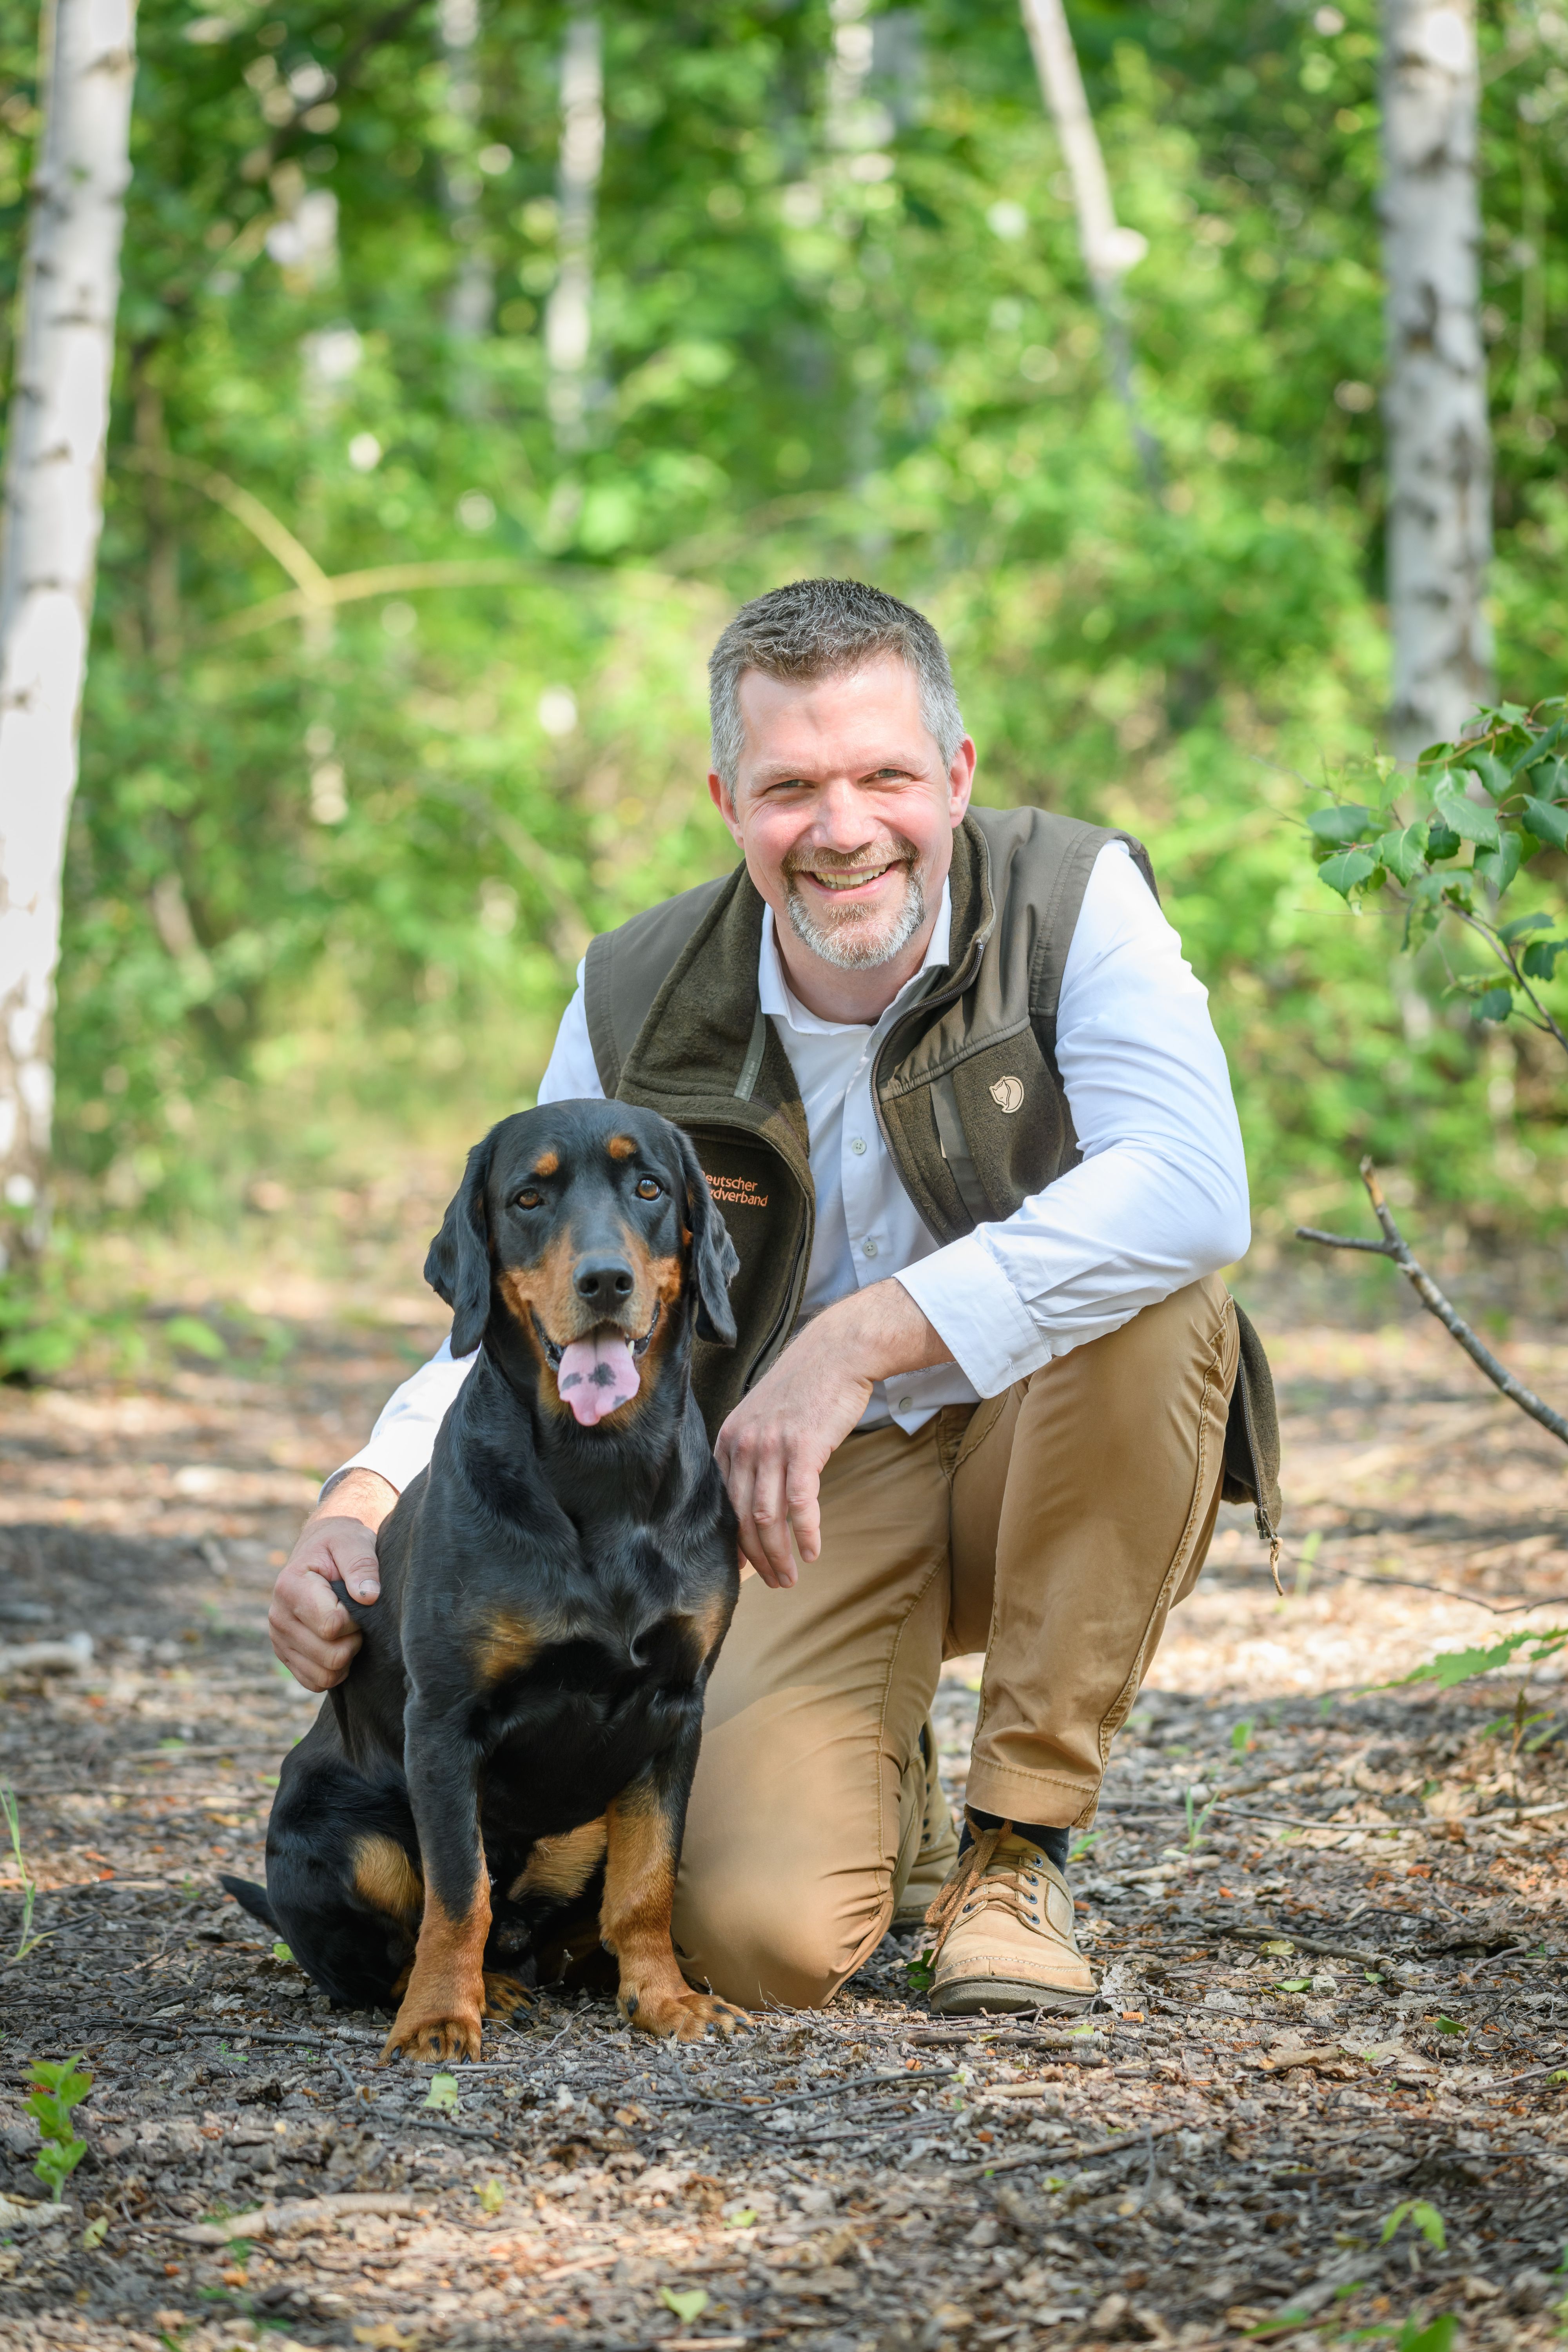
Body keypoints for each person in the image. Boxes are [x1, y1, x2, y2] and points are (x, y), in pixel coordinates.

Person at [267, 577, 1279, 2017]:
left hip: (1045, 1451)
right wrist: (364, 1495)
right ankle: (888, 1775)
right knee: (756, 1940)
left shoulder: (1073, 896)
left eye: (886, 775)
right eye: (792, 787)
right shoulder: (631, 991)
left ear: (960, 776)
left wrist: (861, 1339)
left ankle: (1019, 1843)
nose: (845, 827)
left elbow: (1194, 1187)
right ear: (728, 802)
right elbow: (532, 1306)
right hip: (785, 1504)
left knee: (1170, 1306)